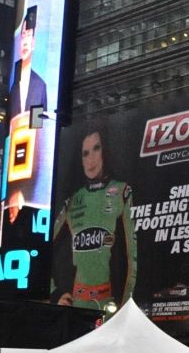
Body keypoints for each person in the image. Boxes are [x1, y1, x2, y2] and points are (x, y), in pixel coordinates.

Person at [50, 124, 136, 310]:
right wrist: (54, 293)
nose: (91, 159)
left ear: (106, 151)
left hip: (110, 304)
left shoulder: (122, 191)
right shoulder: (73, 200)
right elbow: (44, 248)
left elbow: (132, 257)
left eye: (96, 148)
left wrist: (125, 307)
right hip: (76, 305)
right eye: (85, 153)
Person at [8, 7, 47, 121]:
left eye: (29, 35)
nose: (25, 42)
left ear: (33, 42)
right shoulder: (12, 76)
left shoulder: (40, 85)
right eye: (23, 35)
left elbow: (37, 124)